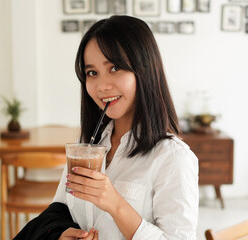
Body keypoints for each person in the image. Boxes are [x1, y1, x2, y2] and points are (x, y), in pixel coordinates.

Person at [54, 15, 198, 240]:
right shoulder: (88, 145)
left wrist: (115, 204)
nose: (102, 86)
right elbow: (58, 211)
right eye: (92, 73)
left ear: (144, 69)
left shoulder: (173, 158)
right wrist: (61, 234)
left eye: (115, 68)